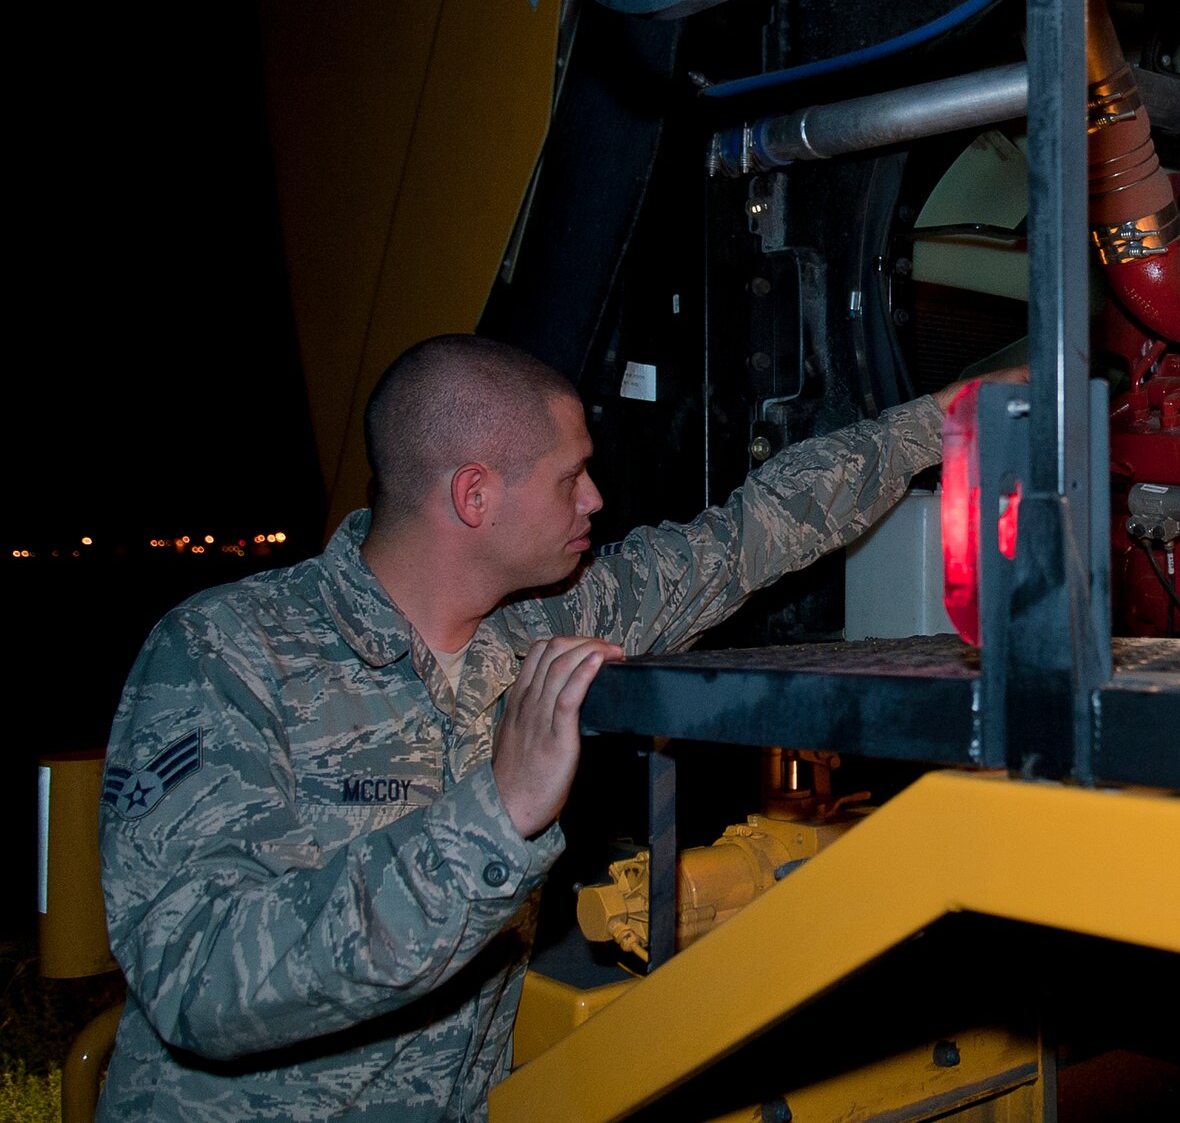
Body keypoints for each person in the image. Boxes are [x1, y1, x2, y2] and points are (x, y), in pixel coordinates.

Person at [98, 334, 1001, 1120]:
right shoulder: (228, 655)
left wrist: (940, 420)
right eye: (570, 476)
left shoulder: (543, 621)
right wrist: (494, 815)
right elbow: (198, 979)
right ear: (475, 496)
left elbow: (745, 537)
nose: (596, 500)